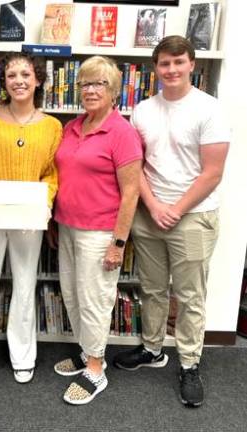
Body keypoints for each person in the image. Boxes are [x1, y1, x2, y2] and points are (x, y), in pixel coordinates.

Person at [112, 35, 230, 408]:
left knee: (190, 296)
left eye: (179, 62)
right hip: (150, 216)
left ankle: (190, 364)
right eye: (165, 63)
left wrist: (175, 209)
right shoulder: (143, 109)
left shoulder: (210, 110)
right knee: (151, 288)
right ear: (156, 68)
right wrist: (153, 205)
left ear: (192, 65)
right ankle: (151, 349)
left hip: (192, 217)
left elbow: (212, 173)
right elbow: (136, 167)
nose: (172, 69)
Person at [51, 55, 143, 405]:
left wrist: (118, 243)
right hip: (68, 228)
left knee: (95, 300)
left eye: (99, 84)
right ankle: (86, 351)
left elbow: (131, 192)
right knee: (72, 295)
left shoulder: (122, 133)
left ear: (114, 90)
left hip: (101, 233)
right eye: (85, 83)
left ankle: (95, 369)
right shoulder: (73, 126)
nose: (90, 90)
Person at [0, 52, 62, 386]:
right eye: (11, 75)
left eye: (26, 74)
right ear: (3, 82)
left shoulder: (52, 126)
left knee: (25, 285)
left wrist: (44, 202)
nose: (19, 81)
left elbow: (51, 175)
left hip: (29, 218)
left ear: (37, 79)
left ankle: (23, 355)